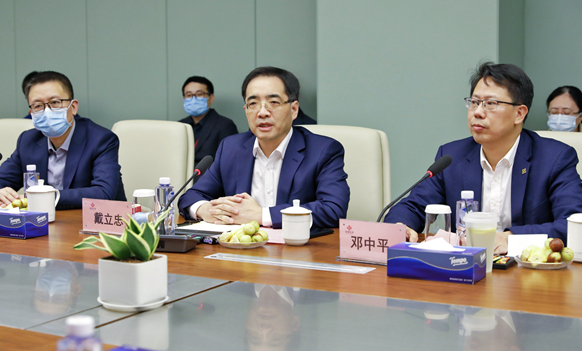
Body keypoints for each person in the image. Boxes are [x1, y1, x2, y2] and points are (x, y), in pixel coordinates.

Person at [384, 62, 582, 253]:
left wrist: (510, 238)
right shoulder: (452, 156)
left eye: (490, 104)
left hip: (528, 270)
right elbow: (413, 206)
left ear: (519, 114)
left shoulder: (554, 158)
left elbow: (573, 224)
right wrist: (401, 227)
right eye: (474, 102)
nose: (477, 112)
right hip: (464, 268)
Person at [178, 66, 350, 228]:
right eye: (253, 104)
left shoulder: (323, 150)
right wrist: (206, 210)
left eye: (273, 102)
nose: (262, 112)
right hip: (239, 247)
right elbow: (190, 197)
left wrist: (262, 215)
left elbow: (333, 210)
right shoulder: (231, 148)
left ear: (294, 110)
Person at [0, 71, 126, 209]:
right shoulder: (28, 141)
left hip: (95, 221)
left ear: (73, 107)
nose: (47, 111)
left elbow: (103, 192)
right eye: (38, 106)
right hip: (44, 222)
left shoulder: (101, 139)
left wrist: (43, 197)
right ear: (31, 113)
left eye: (55, 102)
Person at [179, 76, 238, 165]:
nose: (193, 99)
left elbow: (228, 161)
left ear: (211, 98)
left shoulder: (225, 125)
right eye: (189, 95)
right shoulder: (179, 126)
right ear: (184, 98)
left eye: (199, 94)